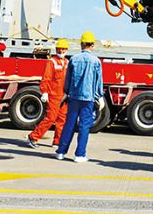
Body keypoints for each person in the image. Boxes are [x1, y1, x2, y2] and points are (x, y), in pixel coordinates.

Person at [55, 31, 103, 163]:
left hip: (73, 97)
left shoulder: (74, 59)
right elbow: (98, 82)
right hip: (88, 98)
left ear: (81, 44)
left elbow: (68, 80)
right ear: (92, 45)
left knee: (69, 124)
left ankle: (61, 152)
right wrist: (99, 96)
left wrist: (66, 92)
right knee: (84, 127)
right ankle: (80, 155)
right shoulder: (96, 61)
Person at [27, 39, 69, 148]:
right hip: (53, 95)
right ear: (56, 49)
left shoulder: (67, 62)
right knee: (50, 118)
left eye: (63, 49)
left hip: (64, 96)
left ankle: (57, 141)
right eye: (59, 49)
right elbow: (46, 78)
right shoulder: (52, 62)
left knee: (62, 119)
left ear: (66, 50)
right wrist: (45, 92)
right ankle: (33, 137)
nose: (61, 51)